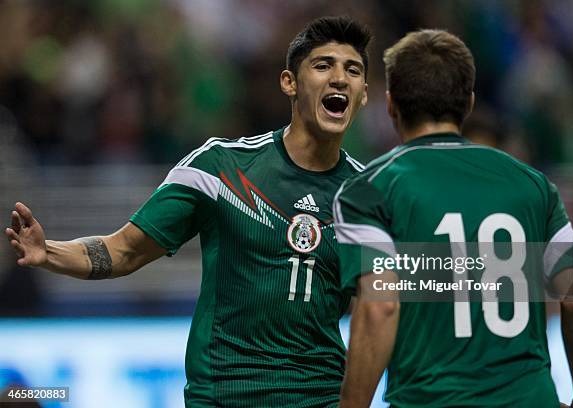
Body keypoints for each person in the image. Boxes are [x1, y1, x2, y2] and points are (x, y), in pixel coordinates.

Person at [5, 16, 370, 407]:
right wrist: (50, 254)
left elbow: (384, 309)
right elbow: (124, 250)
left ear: (364, 93)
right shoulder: (219, 169)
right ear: (289, 83)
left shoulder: (370, 197)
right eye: (322, 65)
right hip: (224, 398)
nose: (339, 78)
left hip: (321, 400)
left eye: (353, 70)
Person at [333, 29, 573, 407]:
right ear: (469, 103)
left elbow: (380, 306)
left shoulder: (368, 189)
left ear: (391, 103)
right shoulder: (533, 185)